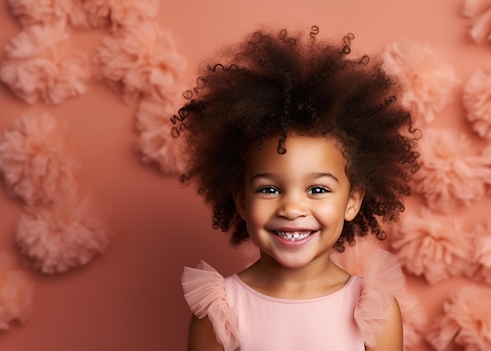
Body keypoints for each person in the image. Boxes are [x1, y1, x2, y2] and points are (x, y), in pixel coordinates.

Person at [176, 25, 419, 351]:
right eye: (270, 190)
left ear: (353, 201)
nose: (292, 208)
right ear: (240, 200)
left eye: (317, 190)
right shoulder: (220, 311)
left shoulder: (373, 310)